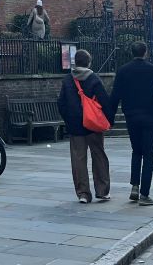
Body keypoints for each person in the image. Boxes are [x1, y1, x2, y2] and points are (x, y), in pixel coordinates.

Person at [108, 40, 153, 207]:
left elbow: (115, 96)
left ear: (132, 53)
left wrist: (110, 118)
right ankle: (144, 194)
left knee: (136, 151)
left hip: (131, 116)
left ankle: (134, 186)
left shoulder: (123, 71)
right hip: (150, 116)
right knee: (148, 155)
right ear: (145, 53)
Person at [56, 49, 111, 203]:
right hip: (93, 124)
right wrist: (108, 120)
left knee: (78, 159)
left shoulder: (68, 80)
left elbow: (61, 103)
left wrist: (68, 120)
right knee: (99, 155)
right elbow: (105, 101)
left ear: (75, 62)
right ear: (88, 62)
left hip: (75, 125)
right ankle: (102, 191)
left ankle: (83, 193)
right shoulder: (94, 79)